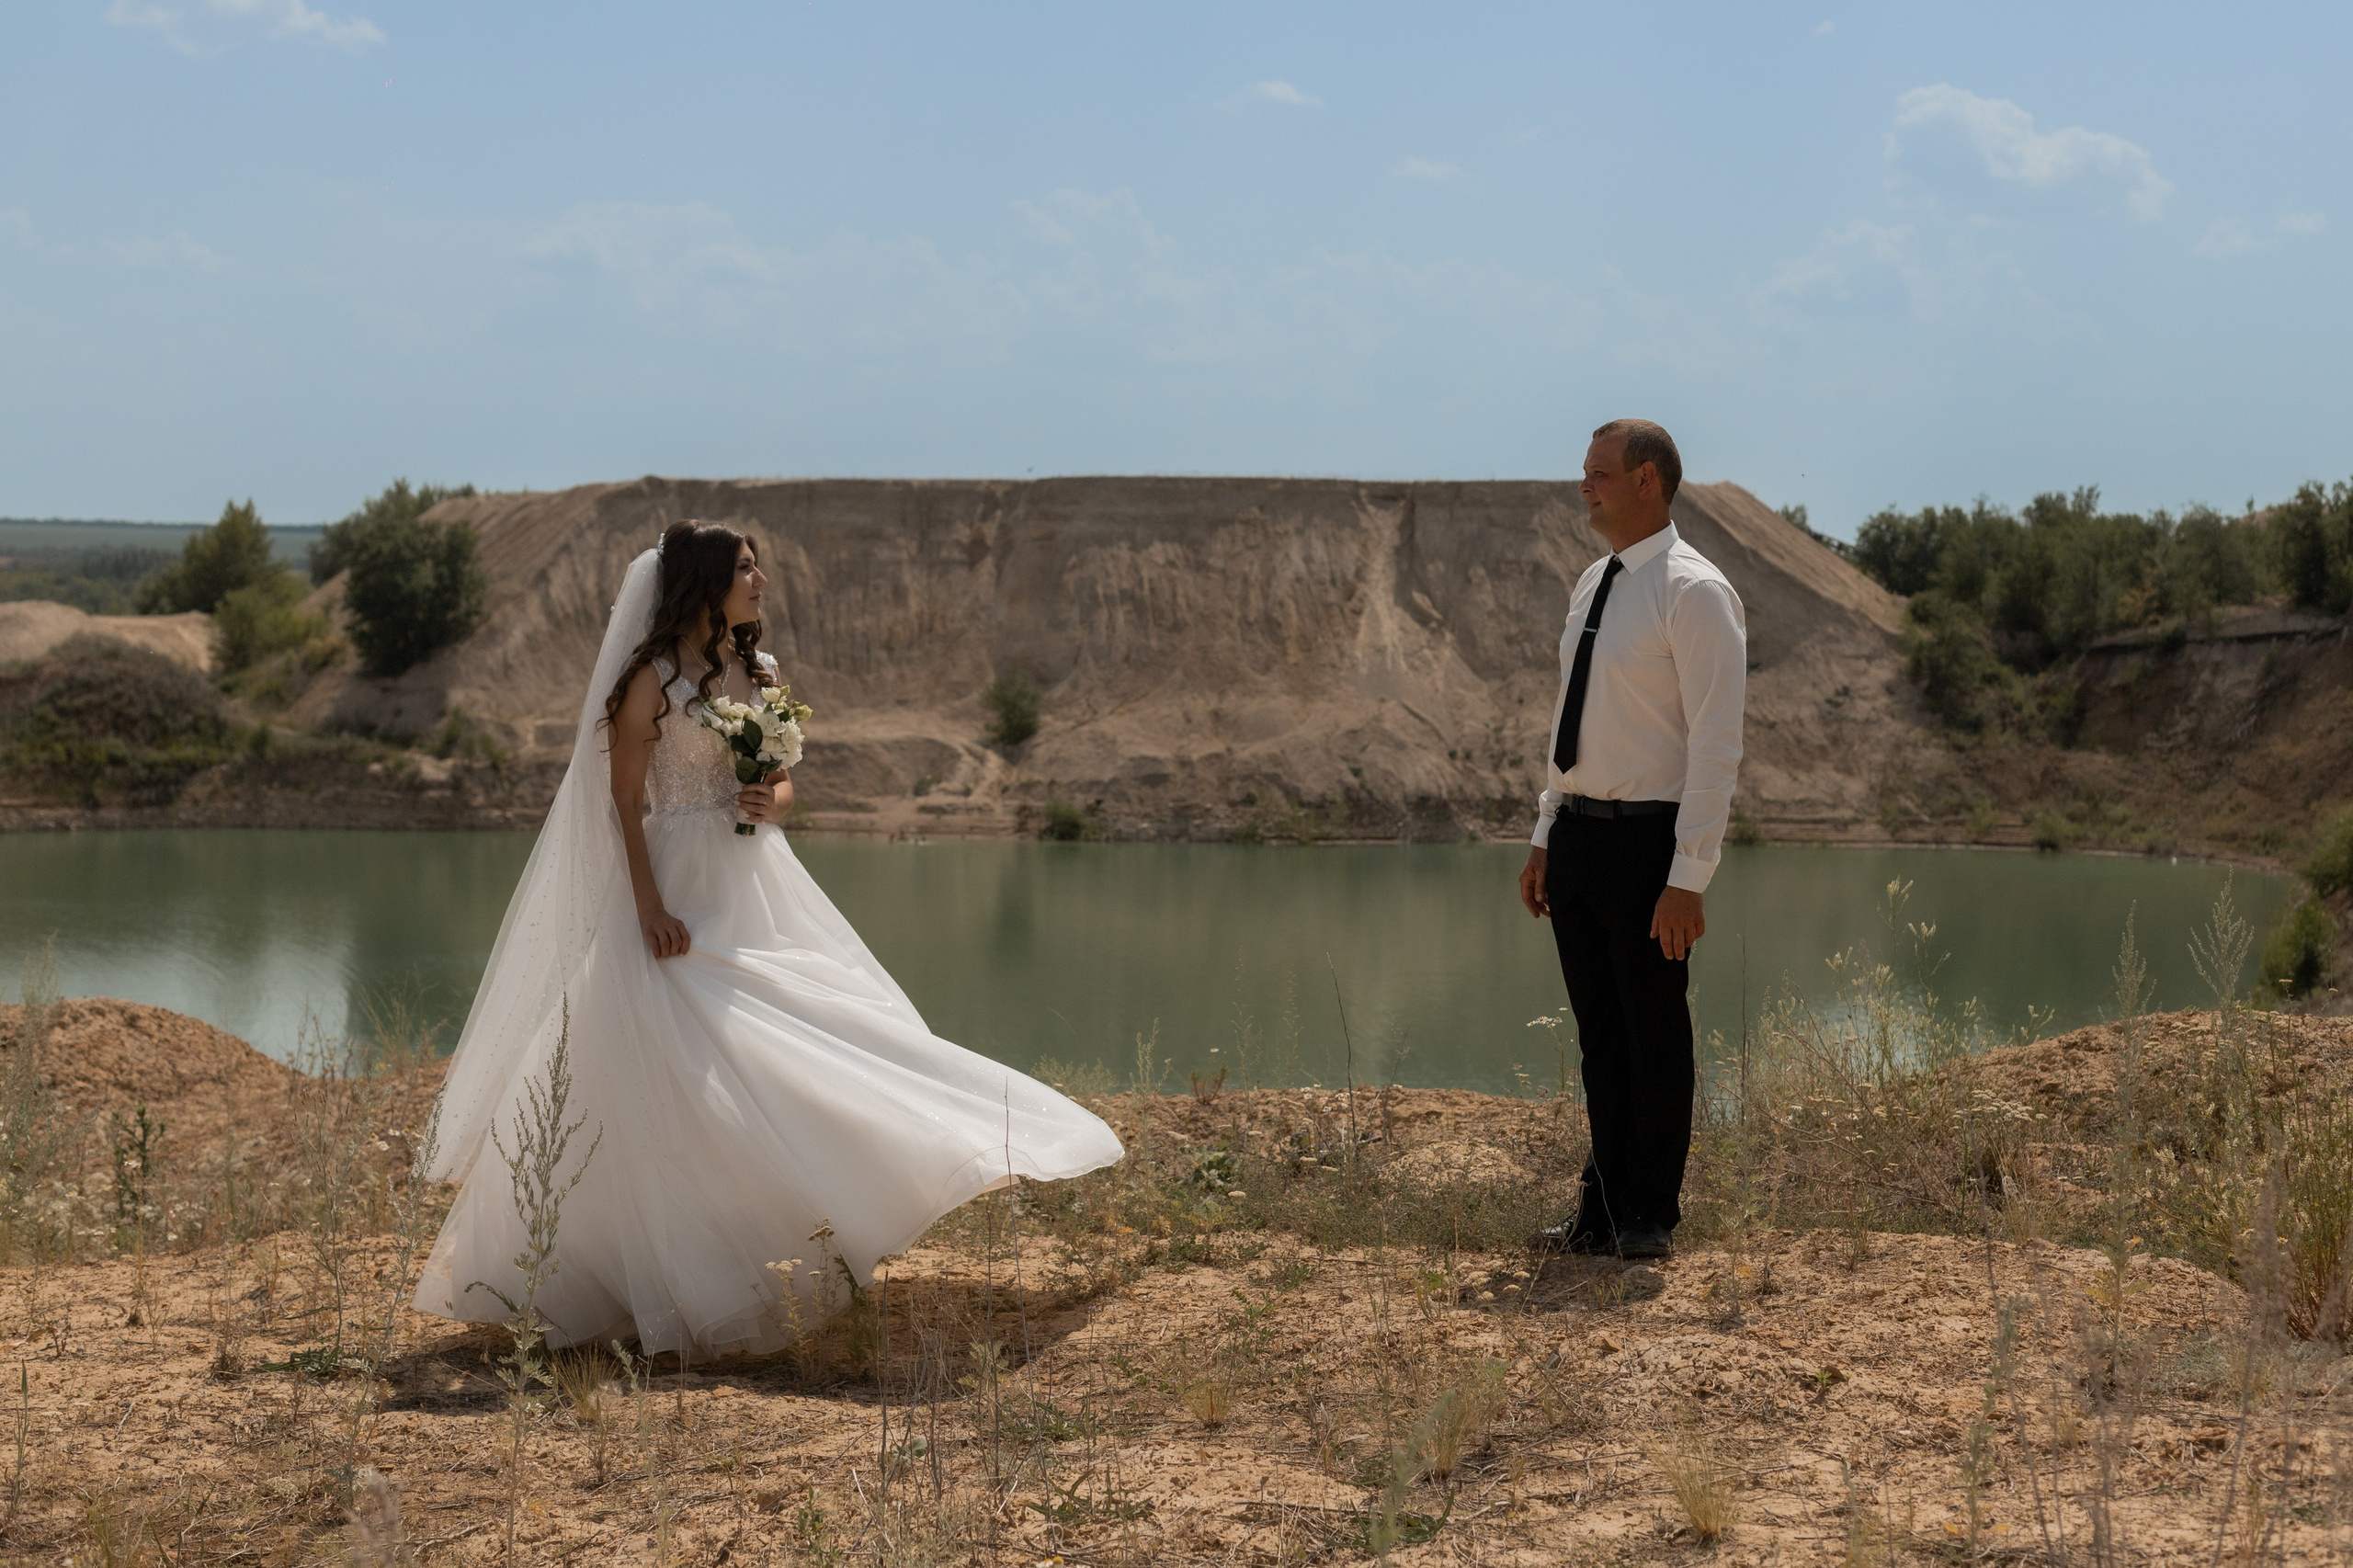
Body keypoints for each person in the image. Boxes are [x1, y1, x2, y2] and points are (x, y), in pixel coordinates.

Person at [414, 521, 1122, 1358]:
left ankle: (821, 1207)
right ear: (706, 581)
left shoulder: (760, 671)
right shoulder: (651, 681)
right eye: (747, 568)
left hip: (758, 880)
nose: (761, 581)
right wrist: (647, 906)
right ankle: (656, 1271)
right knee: (676, 1061)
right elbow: (622, 804)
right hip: (680, 880)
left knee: (816, 1030)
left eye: (758, 567)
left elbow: (778, 784)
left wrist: (772, 804)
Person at [1519, 420, 1745, 1261]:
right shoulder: (1591, 583)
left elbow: (1717, 745)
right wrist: (1546, 832)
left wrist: (1689, 877)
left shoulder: (1696, 592)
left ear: (1647, 480)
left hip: (1650, 849)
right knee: (1601, 1038)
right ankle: (1600, 1211)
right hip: (1579, 839)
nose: (1585, 487)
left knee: (1654, 1035)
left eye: (1599, 473)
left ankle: (1650, 1212)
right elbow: (1568, 723)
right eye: (1585, 472)